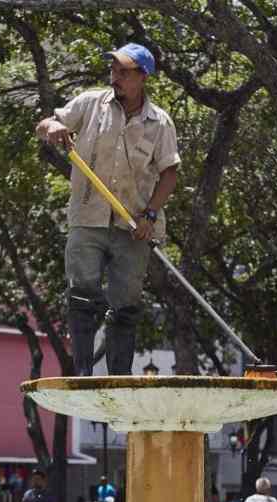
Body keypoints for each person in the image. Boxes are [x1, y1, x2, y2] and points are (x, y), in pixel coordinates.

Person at [36, 42, 180, 376]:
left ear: (143, 77)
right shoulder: (89, 103)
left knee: (125, 304)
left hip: (133, 227)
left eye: (124, 72)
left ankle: (119, 376)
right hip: (88, 218)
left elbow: (169, 175)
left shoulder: (160, 123)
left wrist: (151, 215)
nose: (115, 77)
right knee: (82, 293)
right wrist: (53, 127)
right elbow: (45, 124)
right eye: (113, 70)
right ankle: (82, 371)